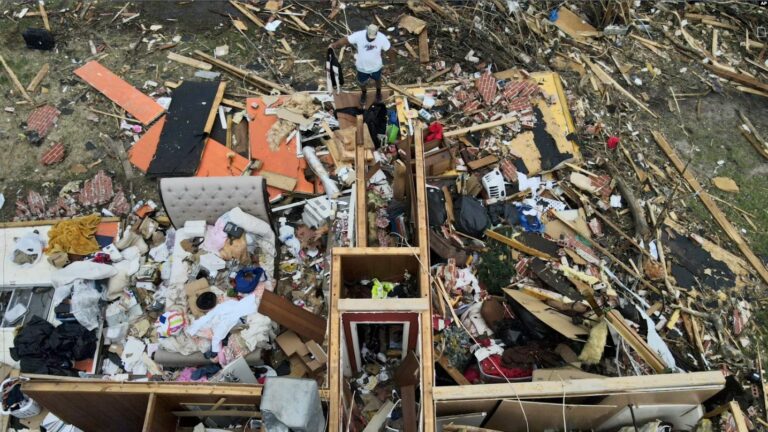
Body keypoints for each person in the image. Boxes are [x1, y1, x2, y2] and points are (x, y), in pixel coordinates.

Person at [329, 24, 393, 106]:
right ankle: (364, 94)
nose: (370, 39)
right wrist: (335, 45)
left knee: (378, 80)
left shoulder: (382, 38)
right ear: (367, 32)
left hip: (376, 66)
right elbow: (346, 40)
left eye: (372, 38)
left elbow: (390, 50)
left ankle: (378, 93)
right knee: (362, 82)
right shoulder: (359, 35)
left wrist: (392, 63)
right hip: (362, 67)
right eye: (369, 37)